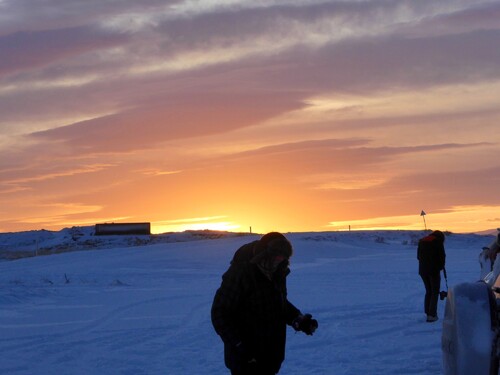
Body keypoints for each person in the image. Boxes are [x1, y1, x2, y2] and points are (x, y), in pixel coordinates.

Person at [211, 232, 318, 375]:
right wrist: (240, 346)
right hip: (245, 361)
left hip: (270, 357)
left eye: (282, 257)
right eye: (275, 256)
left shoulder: (278, 272)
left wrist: (297, 319)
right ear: (263, 253)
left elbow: (277, 303)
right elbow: (220, 313)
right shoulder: (241, 272)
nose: (278, 260)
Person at [417, 230, 446, 322]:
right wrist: (440, 267)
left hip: (422, 271)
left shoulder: (421, 241)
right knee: (435, 292)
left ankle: (427, 312)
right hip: (433, 271)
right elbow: (442, 256)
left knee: (428, 291)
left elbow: (418, 257)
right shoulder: (438, 242)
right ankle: (432, 315)